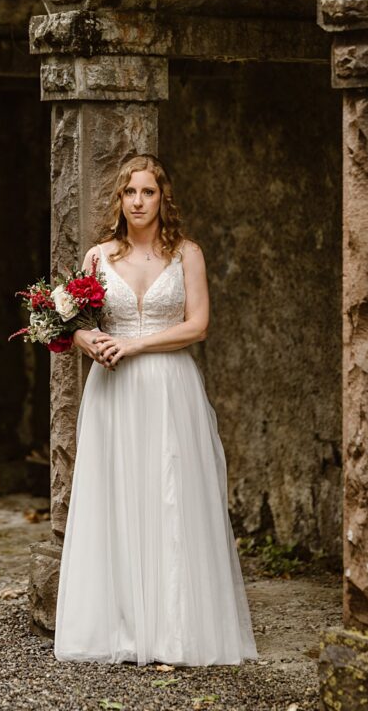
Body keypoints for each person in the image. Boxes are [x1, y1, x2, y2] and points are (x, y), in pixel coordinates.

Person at [53, 153, 258, 666]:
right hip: (113, 389)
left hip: (170, 386)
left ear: (163, 198)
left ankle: (174, 627)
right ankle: (119, 624)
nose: (138, 201)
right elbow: (71, 323)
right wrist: (89, 340)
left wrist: (136, 345)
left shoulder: (187, 253)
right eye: (130, 193)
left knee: (170, 494)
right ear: (118, 200)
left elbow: (198, 326)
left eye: (148, 192)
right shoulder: (98, 257)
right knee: (117, 491)